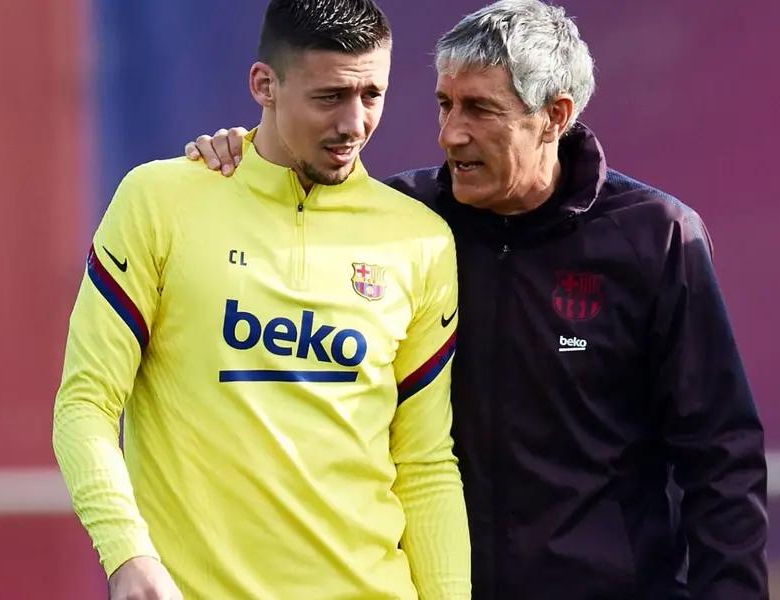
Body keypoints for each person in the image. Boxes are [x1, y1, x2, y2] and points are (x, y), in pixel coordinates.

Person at [185, 1, 768, 597]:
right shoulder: (401, 223)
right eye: (445, 104)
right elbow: (285, 207)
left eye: (480, 109)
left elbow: (721, 455)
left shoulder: (654, 236)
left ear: (554, 116)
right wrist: (237, 158)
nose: (450, 133)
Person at [53, 1, 471, 599]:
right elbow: (86, 404)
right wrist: (127, 554)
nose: (354, 123)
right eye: (329, 97)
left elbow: (425, 464)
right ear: (264, 85)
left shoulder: (421, 240)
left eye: (371, 95)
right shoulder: (160, 201)